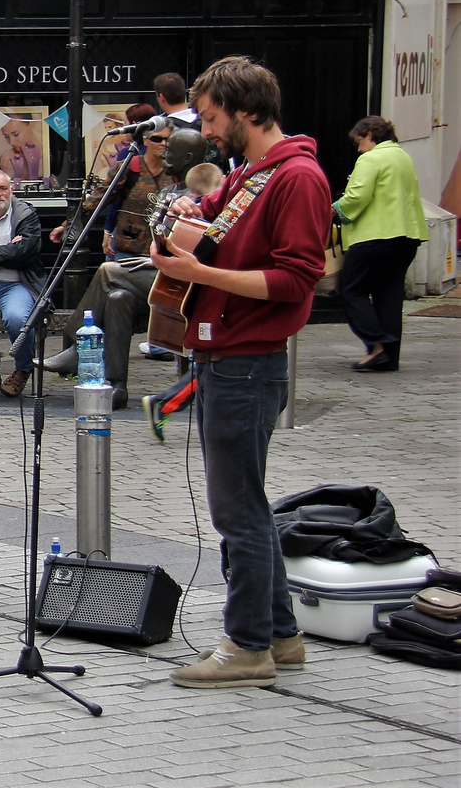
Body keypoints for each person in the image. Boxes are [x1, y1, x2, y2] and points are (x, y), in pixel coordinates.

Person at [151, 56, 328, 689]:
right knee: (244, 503)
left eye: (216, 117)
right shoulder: (251, 173)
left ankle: (247, 646)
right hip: (225, 356)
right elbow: (205, 227)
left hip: (249, 361)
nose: (209, 130)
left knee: (237, 512)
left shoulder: (297, 178)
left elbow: (297, 280)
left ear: (248, 111)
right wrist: (175, 235)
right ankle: (280, 635)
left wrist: (203, 275)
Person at [38, 124, 183, 407]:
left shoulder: (182, 176)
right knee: (117, 298)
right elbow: (98, 199)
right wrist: (68, 225)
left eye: (169, 140)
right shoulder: (131, 165)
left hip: (160, 268)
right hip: (129, 259)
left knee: (105, 272)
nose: (163, 144)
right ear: (144, 139)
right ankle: (117, 387)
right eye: (157, 139)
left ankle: (75, 343)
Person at [334, 115, 427, 372]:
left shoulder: (371, 158)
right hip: (407, 235)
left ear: (370, 135)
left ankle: (376, 344)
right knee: (389, 294)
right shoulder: (402, 157)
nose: (358, 147)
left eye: (359, 141)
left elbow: (357, 197)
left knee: (351, 288)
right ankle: (389, 357)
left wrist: (334, 210)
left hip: (375, 235)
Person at [0, 170, 43, 399]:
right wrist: (8, 251)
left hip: (16, 283)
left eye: (3, 188)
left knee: (17, 319)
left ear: (11, 191)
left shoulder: (25, 213)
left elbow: (26, 252)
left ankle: (23, 368)